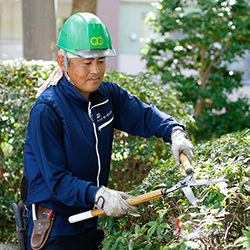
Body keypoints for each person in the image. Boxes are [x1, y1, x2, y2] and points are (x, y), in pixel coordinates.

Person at [21, 12, 194, 250]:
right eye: (87, 63)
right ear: (63, 62)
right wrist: (98, 195)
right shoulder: (47, 110)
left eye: (100, 61)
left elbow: (144, 115)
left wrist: (174, 131)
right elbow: (57, 181)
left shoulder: (106, 97)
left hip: (91, 221)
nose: (96, 70)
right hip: (55, 229)